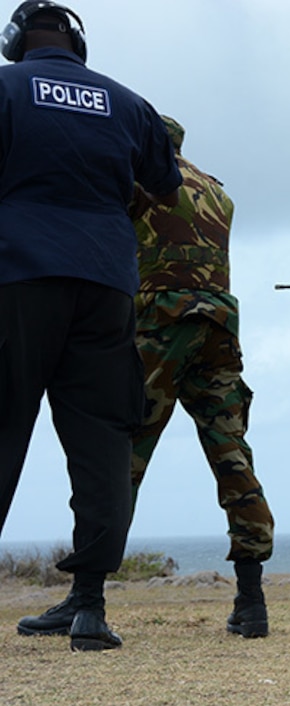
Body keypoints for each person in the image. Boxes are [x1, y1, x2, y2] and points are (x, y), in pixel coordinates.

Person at [1, 1, 180, 652]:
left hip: (19, 277)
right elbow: (166, 186)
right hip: (107, 285)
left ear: (17, 40)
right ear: (77, 44)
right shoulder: (129, 104)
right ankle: (91, 607)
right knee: (104, 439)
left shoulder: (7, 88)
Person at [126, 116, 274, 638]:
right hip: (220, 325)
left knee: (123, 450)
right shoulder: (217, 190)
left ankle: (86, 597)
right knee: (232, 455)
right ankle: (251, 601)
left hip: (161, 321)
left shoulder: (138, 178)